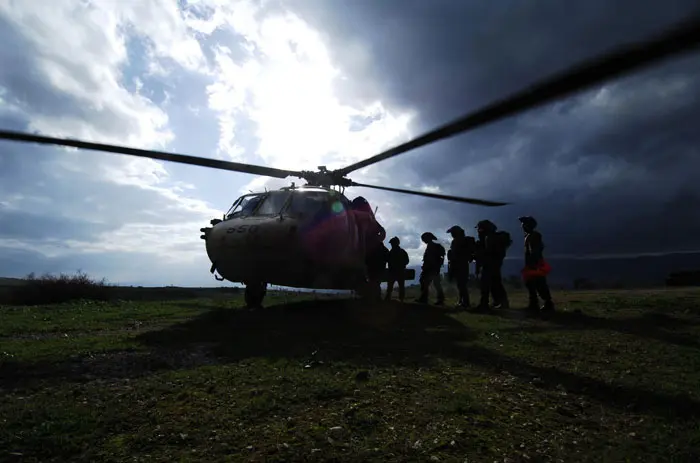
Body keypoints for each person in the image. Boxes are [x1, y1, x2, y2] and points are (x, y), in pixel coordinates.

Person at [519, 216, 555, 312]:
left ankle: (546, 304)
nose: (522, 226)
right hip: (533, 264)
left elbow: (534, 251)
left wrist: (534, 265)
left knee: (539, 284)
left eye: (523, 224)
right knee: (532, 284)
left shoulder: (533, 236)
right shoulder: (530, 236)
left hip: (535, 265)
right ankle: (534, 304)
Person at [474, 219, 511, 310]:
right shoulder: (493, 238)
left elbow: (488, 253)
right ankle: (501, 303)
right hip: (495, 265)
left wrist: (480, 254)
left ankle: (484, 304)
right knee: (495, 284)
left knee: (486, 285)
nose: (478, 232)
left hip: (489, 265)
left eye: (479, 229)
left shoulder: (489, 238)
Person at [446, 225, 476, 309]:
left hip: (460, 265)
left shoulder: (458, 241)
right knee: (461, 284)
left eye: (452, 233)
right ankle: (462, 301)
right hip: (461, 264)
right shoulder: (459, 241)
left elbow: (457, 254)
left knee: (461, 284)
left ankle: (465, 302)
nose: (451, 234)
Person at [415, 232, 445, 305]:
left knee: (431, 283)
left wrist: (435, 265)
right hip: (431, 268)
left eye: (424, 239)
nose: (423, 241)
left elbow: (440, 256)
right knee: (429, 283)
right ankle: (426, 298)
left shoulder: (434, 245)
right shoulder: (433, 245)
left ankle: (427, 299)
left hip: (432, 268)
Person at [385, 236, 410, 301]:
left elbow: (387, 260)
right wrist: (402, 265)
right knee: (401, 286)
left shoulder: (391, 252)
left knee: (390, 286)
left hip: (392, 272)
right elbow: (407, 261)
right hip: (401, 272)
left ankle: (388, 297)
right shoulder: (402, 251)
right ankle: (401, 299)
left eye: (392, 243)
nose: (391, 245)